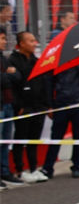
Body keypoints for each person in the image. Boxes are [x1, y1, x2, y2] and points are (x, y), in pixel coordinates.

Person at [40, 62, 79, 179]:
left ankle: (77, 166)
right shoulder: (58, 61)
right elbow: (50, 82)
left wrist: (78, 63)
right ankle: (48, 167)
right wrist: (50, 105)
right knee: (56, 136)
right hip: (61, 103)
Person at [11, 31, 48, 183]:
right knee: (20, 139)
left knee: (34, 139)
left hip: (38, 108)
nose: (34, 44)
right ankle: (20, 170)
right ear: (21, 44)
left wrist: (45, 105)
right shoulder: (13, 61)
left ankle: (33, 168)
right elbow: (14, 87)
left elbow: (44, 84)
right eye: (31, 41)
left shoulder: (37, 61)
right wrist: (19, 106)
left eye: (34, 41)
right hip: (23, 109)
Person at [0, 30, 20, 185]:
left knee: (6, 141)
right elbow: (5, 79)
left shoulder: (4, 59)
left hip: (7, 104)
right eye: (2, 38)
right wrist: (8, 74)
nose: (5, 41)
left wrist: (7, 74)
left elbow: (17, 77)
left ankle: (5, 171)